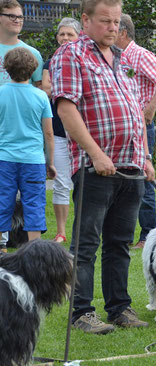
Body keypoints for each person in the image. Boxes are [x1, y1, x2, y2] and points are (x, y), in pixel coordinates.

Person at [51, 0, 154, 334]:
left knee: (120, 242)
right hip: (96, 167)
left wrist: (146, 157)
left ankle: (119, 308)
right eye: (106, 21)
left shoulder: (121, 58)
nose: (113, 27)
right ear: (86, 19)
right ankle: (81, 312)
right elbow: (67, 109)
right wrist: (96, 154)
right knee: (86, 244)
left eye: (116, 21)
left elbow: (134, 111)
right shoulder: (72, 54)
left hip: (130, 167)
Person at [116, 13, 156, 249]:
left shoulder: (139, 54)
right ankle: (125, 232)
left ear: (122, 32)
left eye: (112, 26)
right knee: (125, 177)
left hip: (140, 126)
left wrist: (149, 110)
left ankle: (148, 234)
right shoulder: (117, 56)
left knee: (143, 177)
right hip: (123, 125)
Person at [0, 0, 45, 252]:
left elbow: (38, 96)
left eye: (20, 16)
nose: (18, 20)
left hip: (19, 144)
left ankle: (27, 248)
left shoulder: (32, 54)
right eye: (11, 16)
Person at [0, 48, 55, 243]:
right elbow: (48, 133)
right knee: (34, 204)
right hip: (33, 160)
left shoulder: (1, 92)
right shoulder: (40, 97)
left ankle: (1, 247)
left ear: (6, 69)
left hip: (4, 159)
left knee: (2, 201)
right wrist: (50, 162)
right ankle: (34, 248)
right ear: (33, 71)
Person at [41, 17, 80, 243]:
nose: (65, 38)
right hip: (57, 132)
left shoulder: (85, 61)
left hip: (82, 133)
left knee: (85, 184)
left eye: (70, 34)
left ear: (79, 37)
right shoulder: (50, 61)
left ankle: (82, 229)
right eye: (62, 34)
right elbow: (46, 88)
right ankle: (62, 231)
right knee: (62, 182)